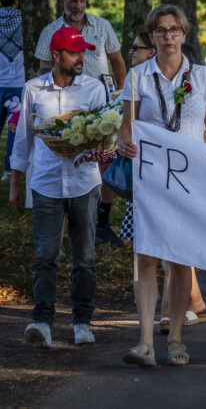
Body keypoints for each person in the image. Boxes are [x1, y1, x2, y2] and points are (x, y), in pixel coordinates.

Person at [116, 5, 206, 367]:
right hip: (149, 180)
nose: (167, 36)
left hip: (189, 182)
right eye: (160, 31)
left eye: (174, 30)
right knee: (145, 258)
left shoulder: (203, 77)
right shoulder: (137, 76)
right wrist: (123, 143)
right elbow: (126, 126)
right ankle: (145, 340)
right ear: (152, 37)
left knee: (180, 261)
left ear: (184, 34)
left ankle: (176, 336)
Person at [9, 27, 108, 349]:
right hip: (45, 184)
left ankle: (82, 321)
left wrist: (101, 154)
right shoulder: (33, 89)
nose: (81, 58)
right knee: (46, 256)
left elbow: (105, 144)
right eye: (74, 53)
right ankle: (43, 322)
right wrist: (15, 184)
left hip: (84, 183)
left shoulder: (94, 89)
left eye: (83, 52)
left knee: (85, 258)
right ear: (56, 56)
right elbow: (22, 139)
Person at [35, 0, 127, 247]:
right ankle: (63, 234)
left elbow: (118, 61)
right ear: (62, 1)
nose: (78, 6)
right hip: (67, 108)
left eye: (82, 1)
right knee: (70, 161)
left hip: (101, 105)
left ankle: (102, 222)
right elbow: (43, 69)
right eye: (72, 1)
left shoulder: (102, 26)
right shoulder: (51, 31)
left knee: (106, 158)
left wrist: (120, 92)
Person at [0, 0, 24, 182]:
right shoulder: (26, 21)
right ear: (17, 0)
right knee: (14, 128)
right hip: (18, 82)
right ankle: (9, 169)